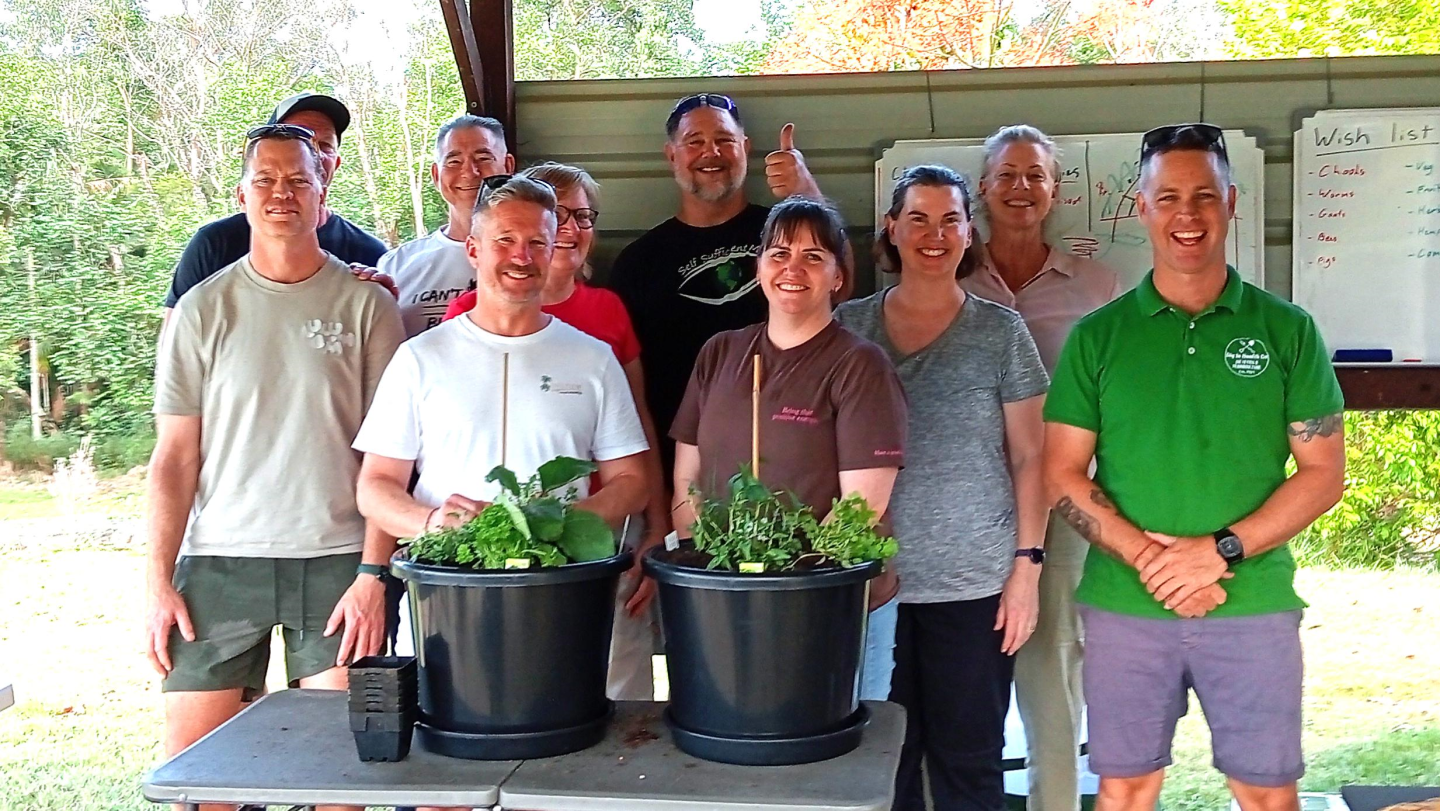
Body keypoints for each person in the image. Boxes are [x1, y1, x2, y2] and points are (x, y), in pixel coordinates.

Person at [1042, 124, 1346, 811]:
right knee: (1123, 790)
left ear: (1231, 203)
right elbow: (1061, 472)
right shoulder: (1098, 337)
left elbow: (1324, 471)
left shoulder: (1287, 330)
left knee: (1267, 794)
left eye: (1205, 196)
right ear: (1142, 207)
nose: (1188, 213)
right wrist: (1156, 561)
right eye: (1170, 196)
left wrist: (1219, 551)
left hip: (1253, 599)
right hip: (1125, 606)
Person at [143, 125, 406, 811]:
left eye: (299, 179)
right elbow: (173, 457)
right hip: (220, 564)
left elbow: (391, 459)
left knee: (339, 781)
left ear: (324, 196)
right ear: (242, 194)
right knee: (201, 783)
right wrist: (157, 582)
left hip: (339, 563)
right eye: (266, 179)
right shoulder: (202, 310)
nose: (281, 192)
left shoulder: (369, 306)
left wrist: (374, 574)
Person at [835, 165, 1050, 811]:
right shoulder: (847, 327)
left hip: (975, 587)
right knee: (880, 762)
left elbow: (1031, 455)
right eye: (919, 218)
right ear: (892, 229)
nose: (935, 234)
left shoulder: (1000, 331)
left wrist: (1027, 570)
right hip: (870, 589)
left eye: (950, 219)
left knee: (970, 761)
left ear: (968, 231)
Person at [351, 172, 648, 604]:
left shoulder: (593, 359)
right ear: (473, 250)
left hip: (561, 587)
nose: (521, 257)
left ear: (552, 250)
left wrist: (554, 522)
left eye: (536, 243)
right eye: (504, 240)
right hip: (445, 585)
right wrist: (433, 521)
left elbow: (632, 480)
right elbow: (375, 485)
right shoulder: (420, 358)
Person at [441, 162, 669, 701]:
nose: (569, 229)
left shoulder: (605, 313)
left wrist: (658, 529)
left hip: (595, 534)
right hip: (491, 546)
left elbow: (637, 433)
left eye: (581, 217)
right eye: (559, 216)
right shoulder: (466, 316)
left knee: (607, 683)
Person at [669, 198, 909, 700]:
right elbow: (687, 476)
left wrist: (779, 584)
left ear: (839, 277)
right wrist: (715, 568)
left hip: (829, 606)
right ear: (758, 268)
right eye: (778, 253)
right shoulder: (720, 352)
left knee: (832, 753)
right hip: (726, 599)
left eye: (814, 257)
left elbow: (861, 509)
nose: (792, 269)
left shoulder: (860, 367)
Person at [962, 125, 1120, 811]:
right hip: (965, 507)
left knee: (1052, 673)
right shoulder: (948, 275)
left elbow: (1122, 399)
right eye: (1006, 175)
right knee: (961, 679)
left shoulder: (1098, 286)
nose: (1020, 188)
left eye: (1034, 175)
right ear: (983, 190)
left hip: (1061, 503)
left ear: (1055, 190)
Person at [607, 93, 821, 474]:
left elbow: (842, 285)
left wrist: (808, 196)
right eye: (694, 142)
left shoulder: (784, 234)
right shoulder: (638, 262)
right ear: (671, 155)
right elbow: (626, 398)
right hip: (683, 475)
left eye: (724, 140)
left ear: (745, 149)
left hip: (791, 468)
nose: (711, 153)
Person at [162, 92, 389, 313]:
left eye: (325, 145)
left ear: (336, 163)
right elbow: (175, 341)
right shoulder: (215, 244)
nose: (314, 154)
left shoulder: (370, 253)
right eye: (300, 138)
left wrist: (388, 300)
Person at [381, 114, 515, 337]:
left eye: (483, 158)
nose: (469, 172)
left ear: (508, 166)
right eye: (453, 161)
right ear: (436, 174)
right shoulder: (396, 265)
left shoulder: (532, 258)